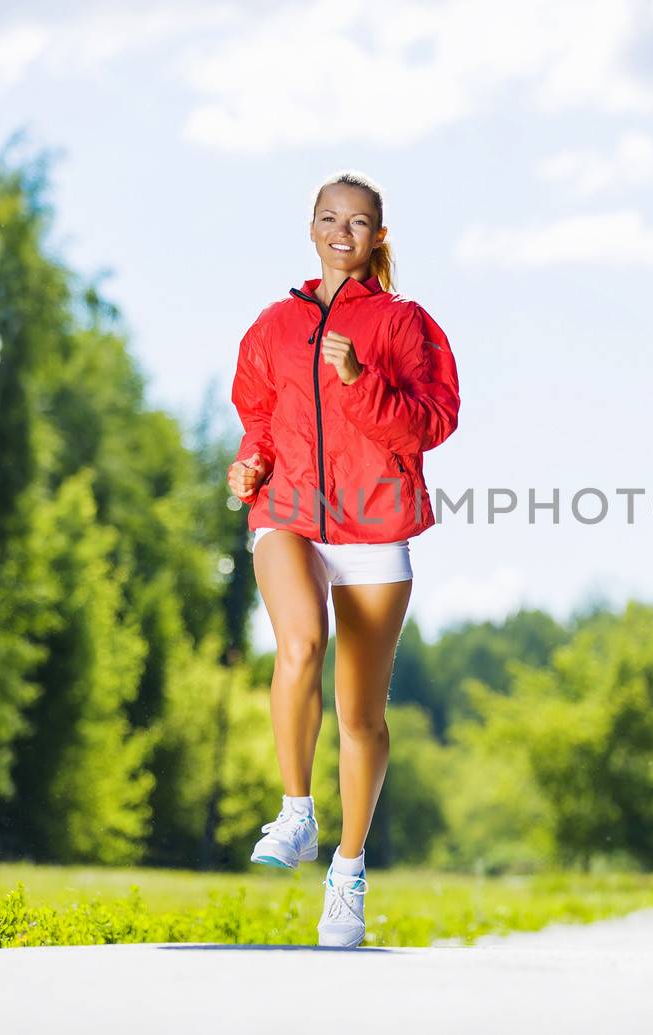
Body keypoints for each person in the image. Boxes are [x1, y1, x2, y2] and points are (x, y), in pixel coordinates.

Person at [227, 170, 460, 948]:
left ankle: (348, 874)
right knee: (300, 643)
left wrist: (357, 382)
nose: (341, 232)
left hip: (373, 526)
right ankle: (297, 812)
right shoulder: (271, 325)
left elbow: (431, 424)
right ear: (311, 226)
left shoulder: (404, 324)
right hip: (287, 512)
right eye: (329, 218)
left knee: (360, 717)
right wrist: (250, 462)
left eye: (358, 222)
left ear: (378, 237)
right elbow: (259, 414)